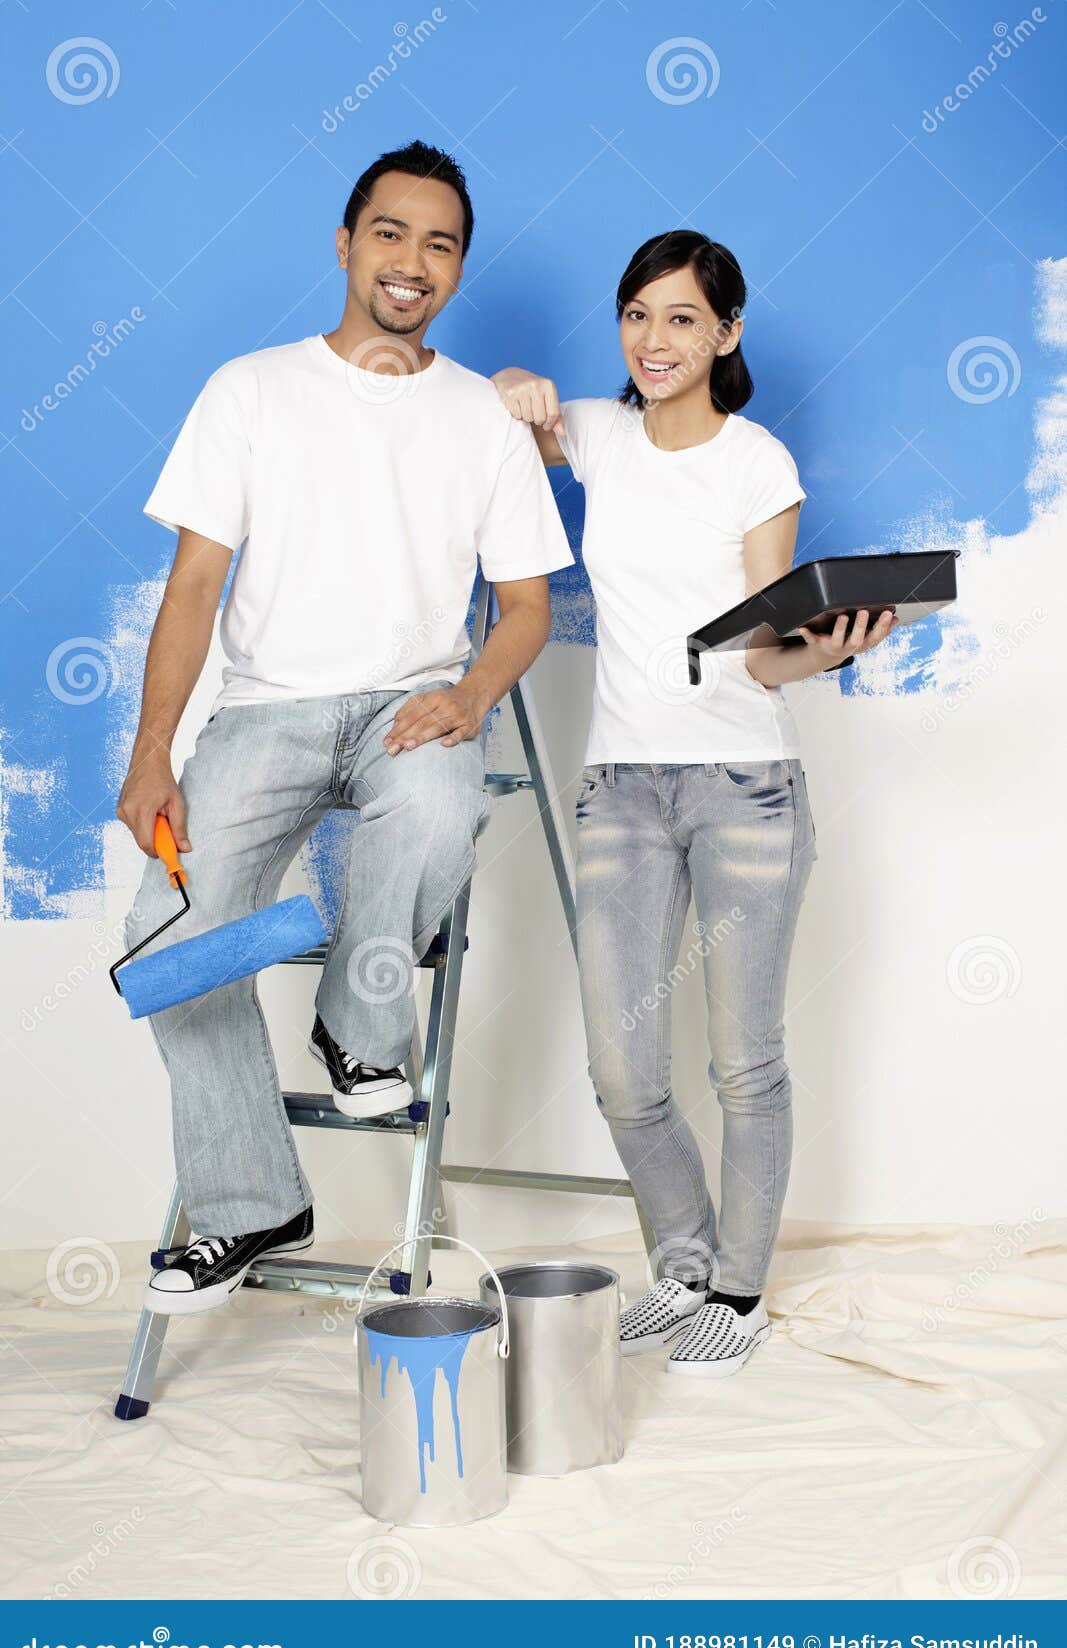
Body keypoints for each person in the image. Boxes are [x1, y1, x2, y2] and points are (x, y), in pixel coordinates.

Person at [118, 140, 574, 1315]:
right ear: (344, 242)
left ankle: (357, 1031)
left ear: (458, 269)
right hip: (265, 709)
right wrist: (152, 747)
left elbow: (524, 607)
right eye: (390, 232)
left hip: (405, 704)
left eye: (439, 243)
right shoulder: (250, 389)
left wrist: (469, 699)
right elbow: (192, 586)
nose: (412, 261)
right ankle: (248, 1200)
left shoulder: (479, 415)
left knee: (440, 802)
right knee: (168, 941)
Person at [493, 230, 897, 1378]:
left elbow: (762, 653)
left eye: (680, 318)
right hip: (618, 785)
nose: (652, 339)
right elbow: (474, 408)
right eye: (635, 314)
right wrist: (510, 388)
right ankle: (678, 1263)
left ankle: (736, 1287)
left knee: (741, 1060)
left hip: (743, 788)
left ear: (725, 333)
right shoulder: (600, 434)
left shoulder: (755, 461)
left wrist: (828, 654)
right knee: (622, 1069)